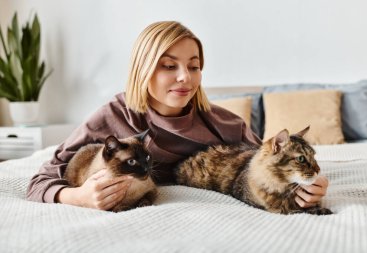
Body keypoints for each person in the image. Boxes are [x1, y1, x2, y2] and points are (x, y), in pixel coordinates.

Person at [27, 21, 329, 211]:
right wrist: (77, 197)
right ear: (143, 69)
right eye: (169, 66)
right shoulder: (111, 118)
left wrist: (309, 189)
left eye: (194, 66)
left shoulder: (227, 124)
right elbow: (40, 180)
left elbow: (266, 173)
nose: (185, 77)